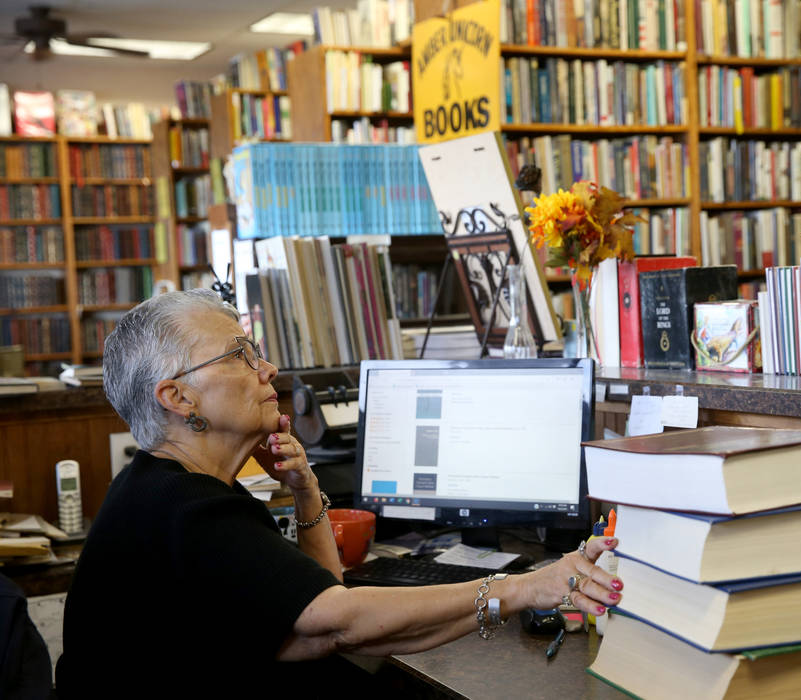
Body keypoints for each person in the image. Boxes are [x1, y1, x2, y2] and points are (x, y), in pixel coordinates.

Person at [56, 289, 622, 696]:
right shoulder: (184, 510)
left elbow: (318, 609)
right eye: (241, 355)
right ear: (179, 398)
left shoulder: (181, 492)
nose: (267, 367)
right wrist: (523, 588)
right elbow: (338, 621)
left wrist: (306, 491)